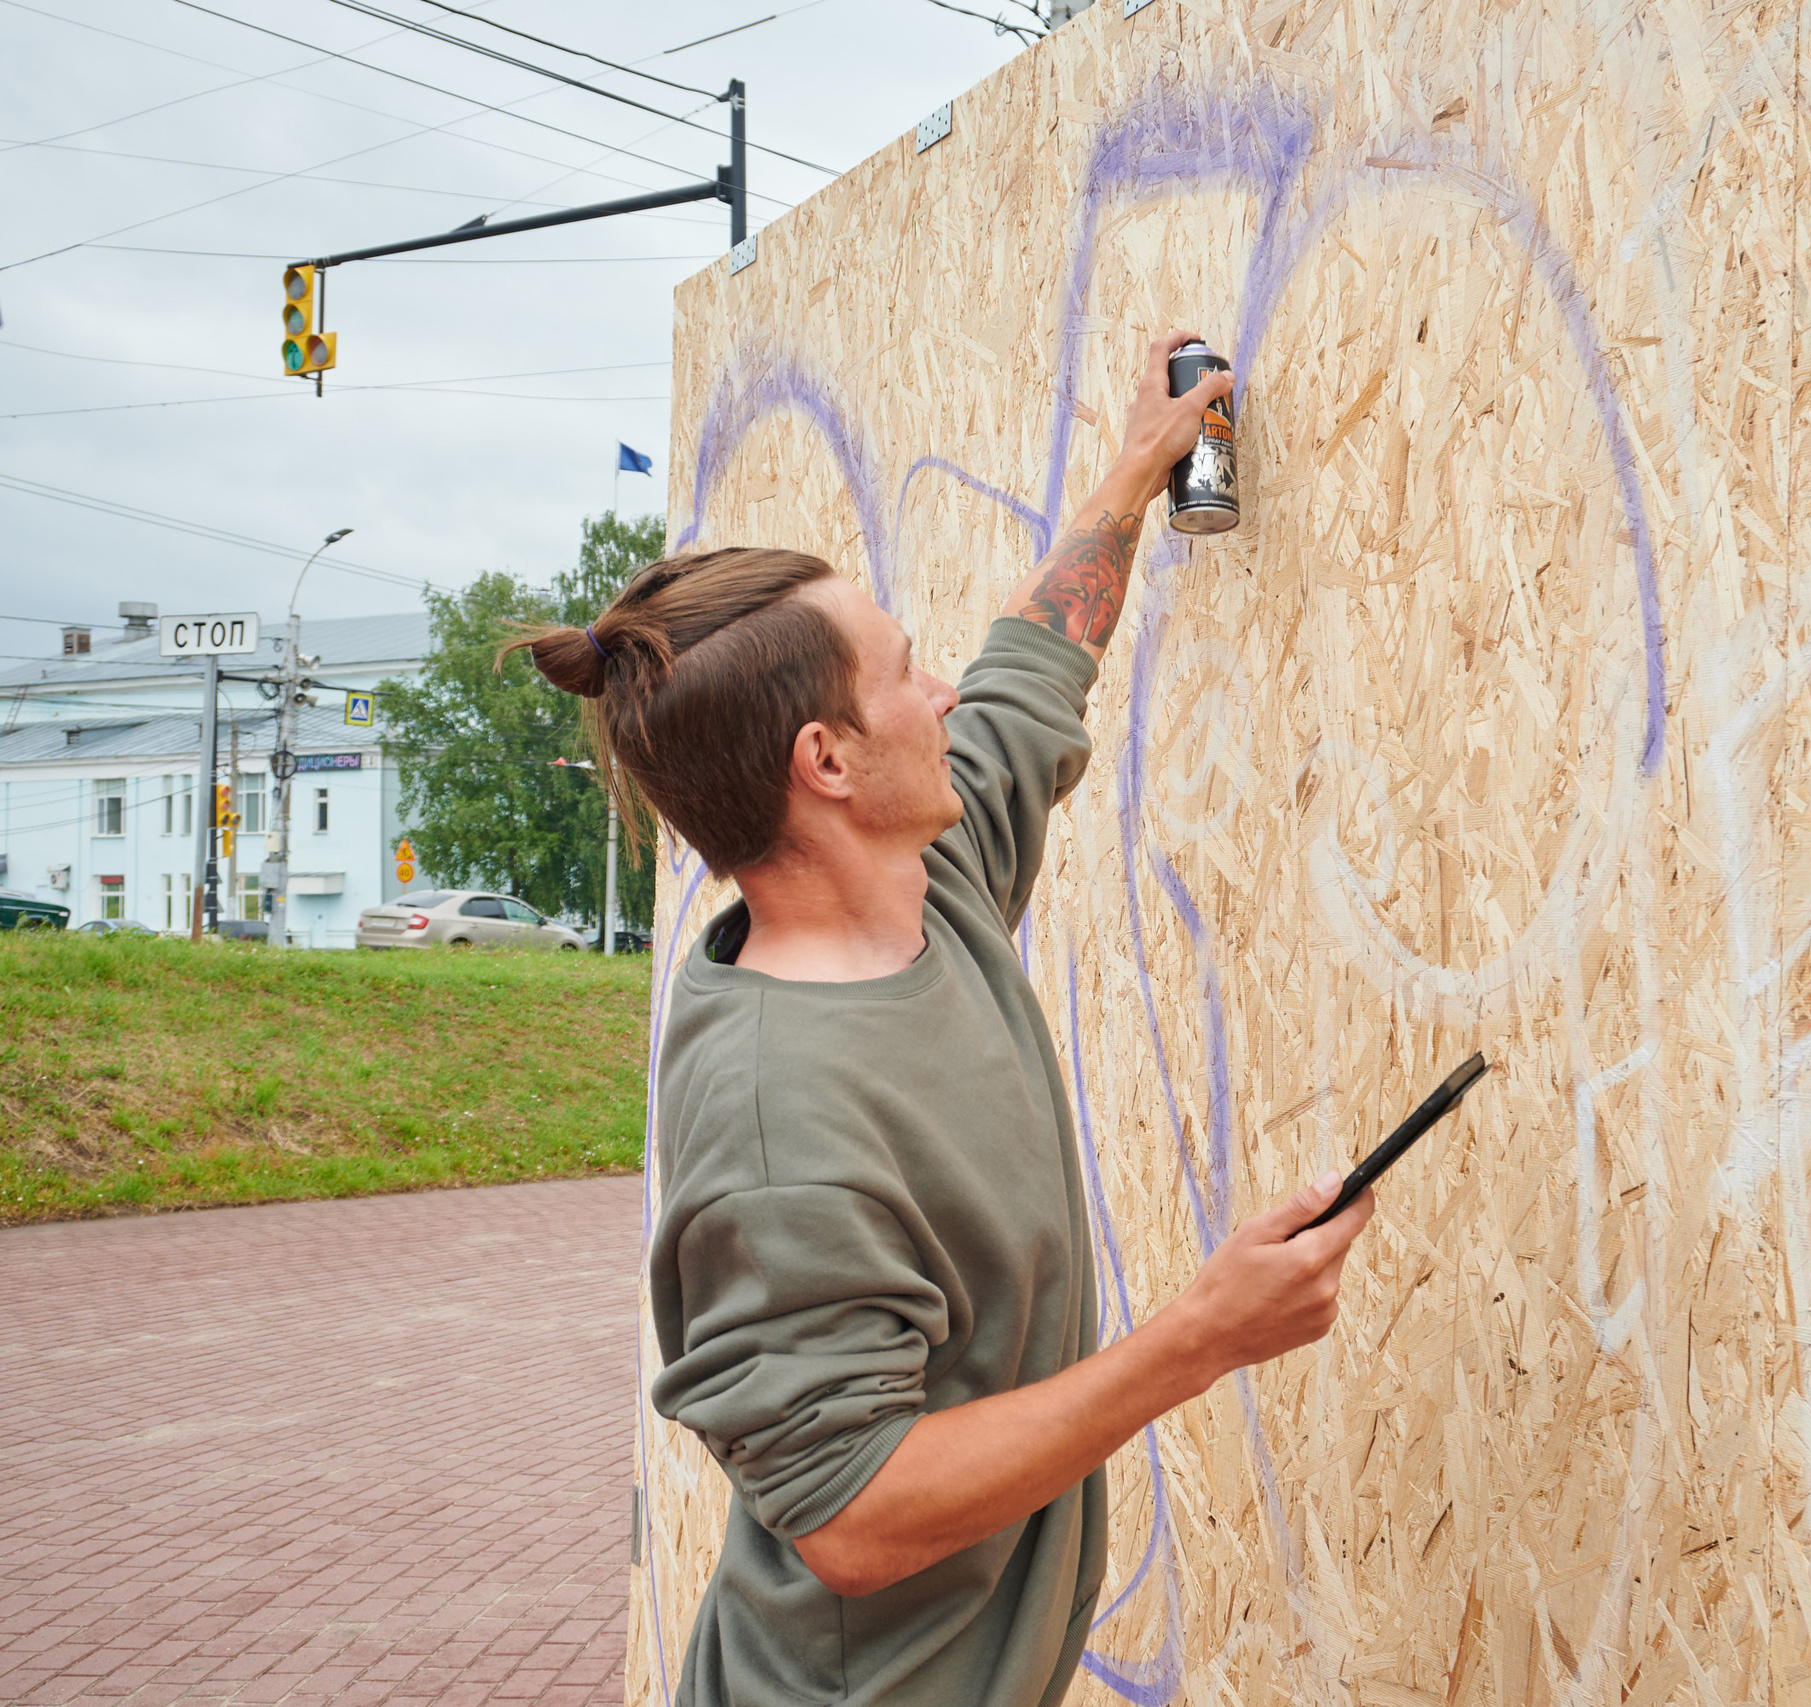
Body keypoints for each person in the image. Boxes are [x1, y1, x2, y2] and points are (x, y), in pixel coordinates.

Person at [512, 331, 1376, 1707]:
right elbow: (851, 1517)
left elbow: (1031, 673)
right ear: (830, 763)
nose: (943, 691)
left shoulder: (933, 881)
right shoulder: (779, 1112)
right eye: (906, 671)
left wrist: (1136, 472)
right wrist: (1199, 1337)